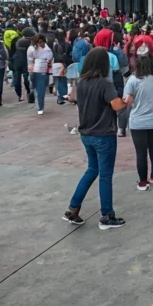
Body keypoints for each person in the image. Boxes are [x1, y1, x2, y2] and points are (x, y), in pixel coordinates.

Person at [62, 48, 127, 230]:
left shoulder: (81, 82)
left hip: (86, 134)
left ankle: (73, 209)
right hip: (103, 135)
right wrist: (127, 101)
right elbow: (116, 106)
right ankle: (107, 216)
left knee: (92, 170)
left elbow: (72, 98)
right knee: (105, 175)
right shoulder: (105, 83)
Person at [124, 54, 153, 191]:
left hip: (137, 122)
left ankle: (143, 182)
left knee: (141, 153)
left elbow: (128, 100)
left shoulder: (132, 80)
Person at [27, 35, 54, 115]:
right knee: (39, 90)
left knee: (41, 89)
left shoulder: (47, 48)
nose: (41, 43)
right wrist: (31, 70)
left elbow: (50, 58)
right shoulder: (31, 49)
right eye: (39, 42)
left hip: (44, 70)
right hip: (35, 70)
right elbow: (29, 61)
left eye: (42, 41)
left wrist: (48, 65)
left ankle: (40, 106)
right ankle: (40, 107)